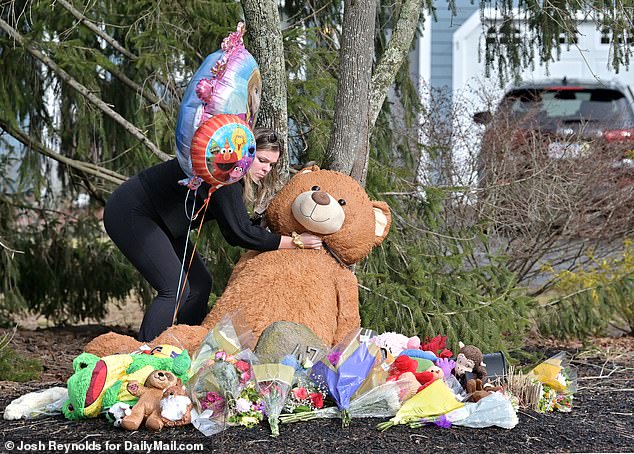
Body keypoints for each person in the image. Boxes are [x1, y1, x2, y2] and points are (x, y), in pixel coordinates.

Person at [103, 128, 321, 342]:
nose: (266, 169)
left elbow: (234, 226)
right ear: (246, 153)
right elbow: (239, 234)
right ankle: (145, 358)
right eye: (262, 160)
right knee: (175, 288)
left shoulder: (230, 177)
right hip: (131, 211)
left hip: (166, 224)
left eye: (271, 165)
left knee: (199, 285)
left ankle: (187, 344)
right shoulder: (224, 173)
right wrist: (295, 242)